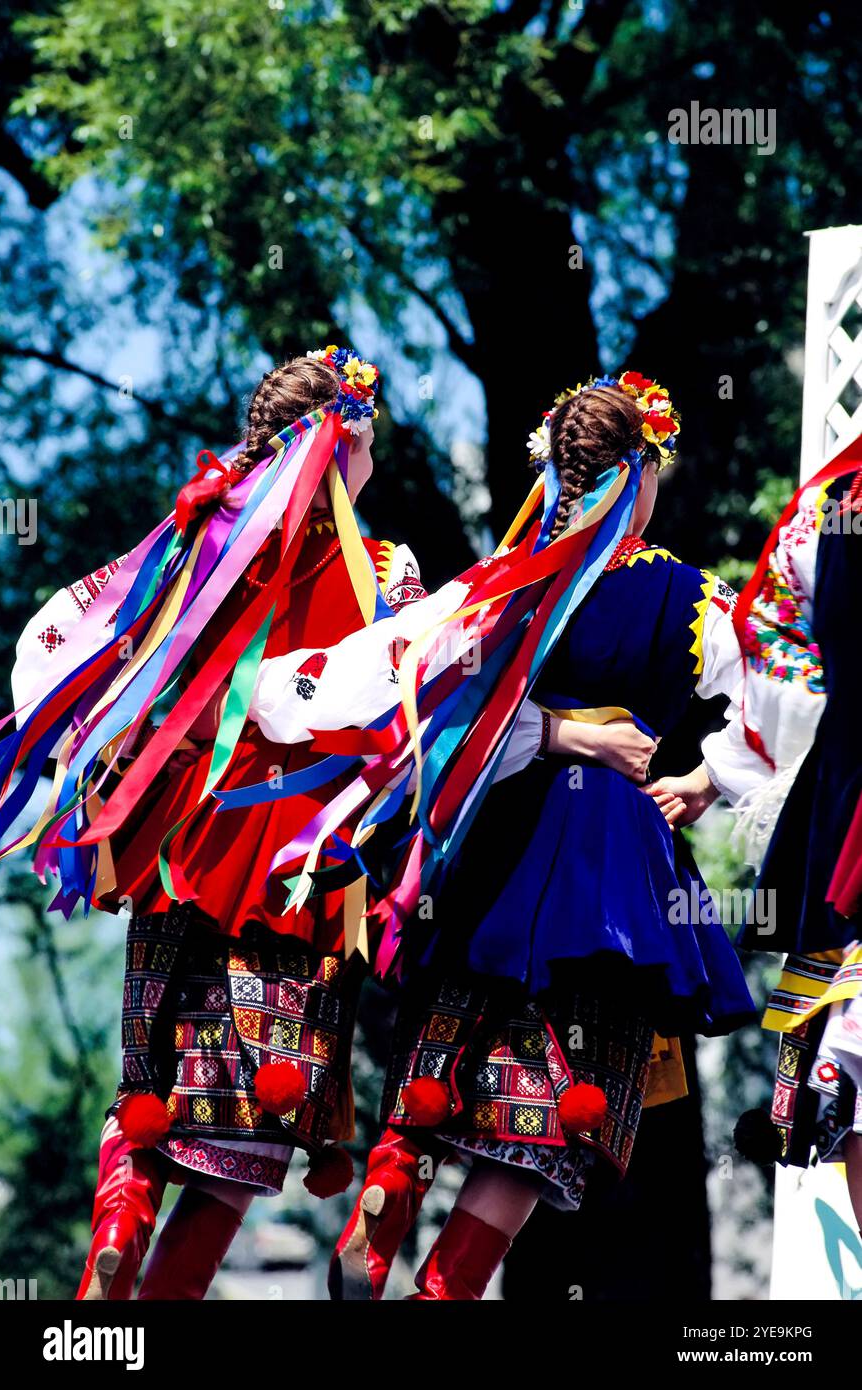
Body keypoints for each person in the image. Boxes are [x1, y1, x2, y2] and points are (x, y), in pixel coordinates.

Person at [0, 349, 653, 1300]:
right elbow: (388, 693)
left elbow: (63, 641)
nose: (377, 456)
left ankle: (119, 1227)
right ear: (342, 445)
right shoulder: (386, 569)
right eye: (370, 440)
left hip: (179, 853)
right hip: (296, 861)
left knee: (152, 1090)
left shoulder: (188, 544)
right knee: (242, 1132)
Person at [246, 371, 758, 1299]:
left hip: (496, 846)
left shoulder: (497, 584)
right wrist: (706, 779)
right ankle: (446, 1291)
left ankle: (386, 1201)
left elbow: (389, 688)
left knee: (451, 1048)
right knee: (545, 1128)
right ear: (638, 472)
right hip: (613, 875)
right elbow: (785, 690)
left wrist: (270, 692)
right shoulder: (689, 597)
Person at [716, 434, 862, 1230]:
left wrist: (750, 759)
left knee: (848, 1075)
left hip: (845, 781)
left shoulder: (830, 501)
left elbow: (768, 638)